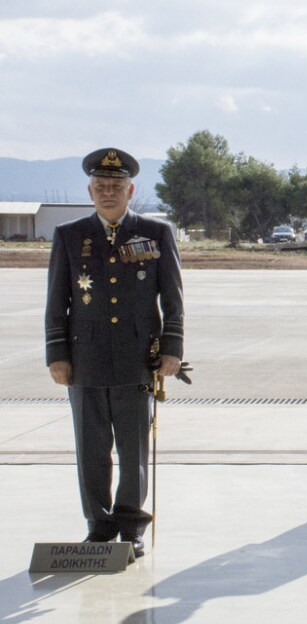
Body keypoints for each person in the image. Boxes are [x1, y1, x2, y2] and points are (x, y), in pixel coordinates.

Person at [45, 148, 184, 558]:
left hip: (137, 357)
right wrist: (57, 353)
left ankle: (130, 526)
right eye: (102, 187)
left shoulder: (154, 234)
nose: (109, 193)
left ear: (131, 190)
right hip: (83, 358)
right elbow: (57, 301)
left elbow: (172, 298)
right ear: (90, 190)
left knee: (133, 448)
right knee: (91, 449)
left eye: (117, 186)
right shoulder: (70, 236)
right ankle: (99, 526)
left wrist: (172, 347)